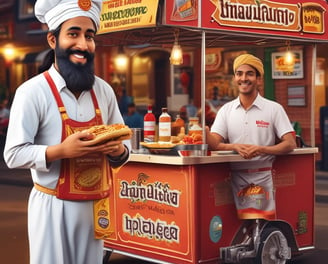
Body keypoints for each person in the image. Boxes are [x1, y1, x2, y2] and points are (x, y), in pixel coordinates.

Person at [3, 1, 131, 263]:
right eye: (73, 34)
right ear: (53, 39)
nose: (83, 45)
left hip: (95, 205)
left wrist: (118, 150)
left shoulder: (104, 90)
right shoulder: (32, 92)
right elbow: (13, 154)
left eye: (89, 36)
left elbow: (122, 147)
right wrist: (62, 150)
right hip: (52, 206)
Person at [206, 54, 296, 220]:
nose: (243, 78)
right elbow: (215, 144)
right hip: (233, 178)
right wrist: (205, 133)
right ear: (235, 78)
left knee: (262, 225)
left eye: (249, 74)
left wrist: (262, 149)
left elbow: (290, 143)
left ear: (259, 80)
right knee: (235, 231)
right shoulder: (226, 110)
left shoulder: (274, 109)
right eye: (239, 74)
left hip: (263, 177)